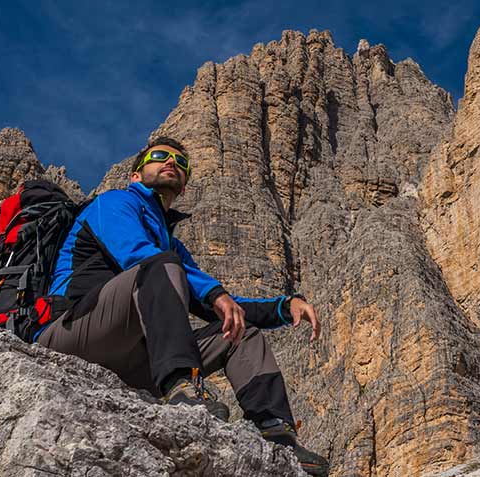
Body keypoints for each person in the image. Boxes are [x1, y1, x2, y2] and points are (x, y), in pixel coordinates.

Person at [39, 136, 329, 476]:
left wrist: (282, 307)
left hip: (134, 361)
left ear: (185, 185)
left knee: (241, 334)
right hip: (72, 334)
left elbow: (216, 304)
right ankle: (181, 388)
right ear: (136, 175)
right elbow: (135, 253)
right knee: (162, 264)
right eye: (160, 156)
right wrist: (213, 292)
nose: (171, 162)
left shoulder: (170, 247)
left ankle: (277, 434)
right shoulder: (115, 203)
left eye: (181, 162)